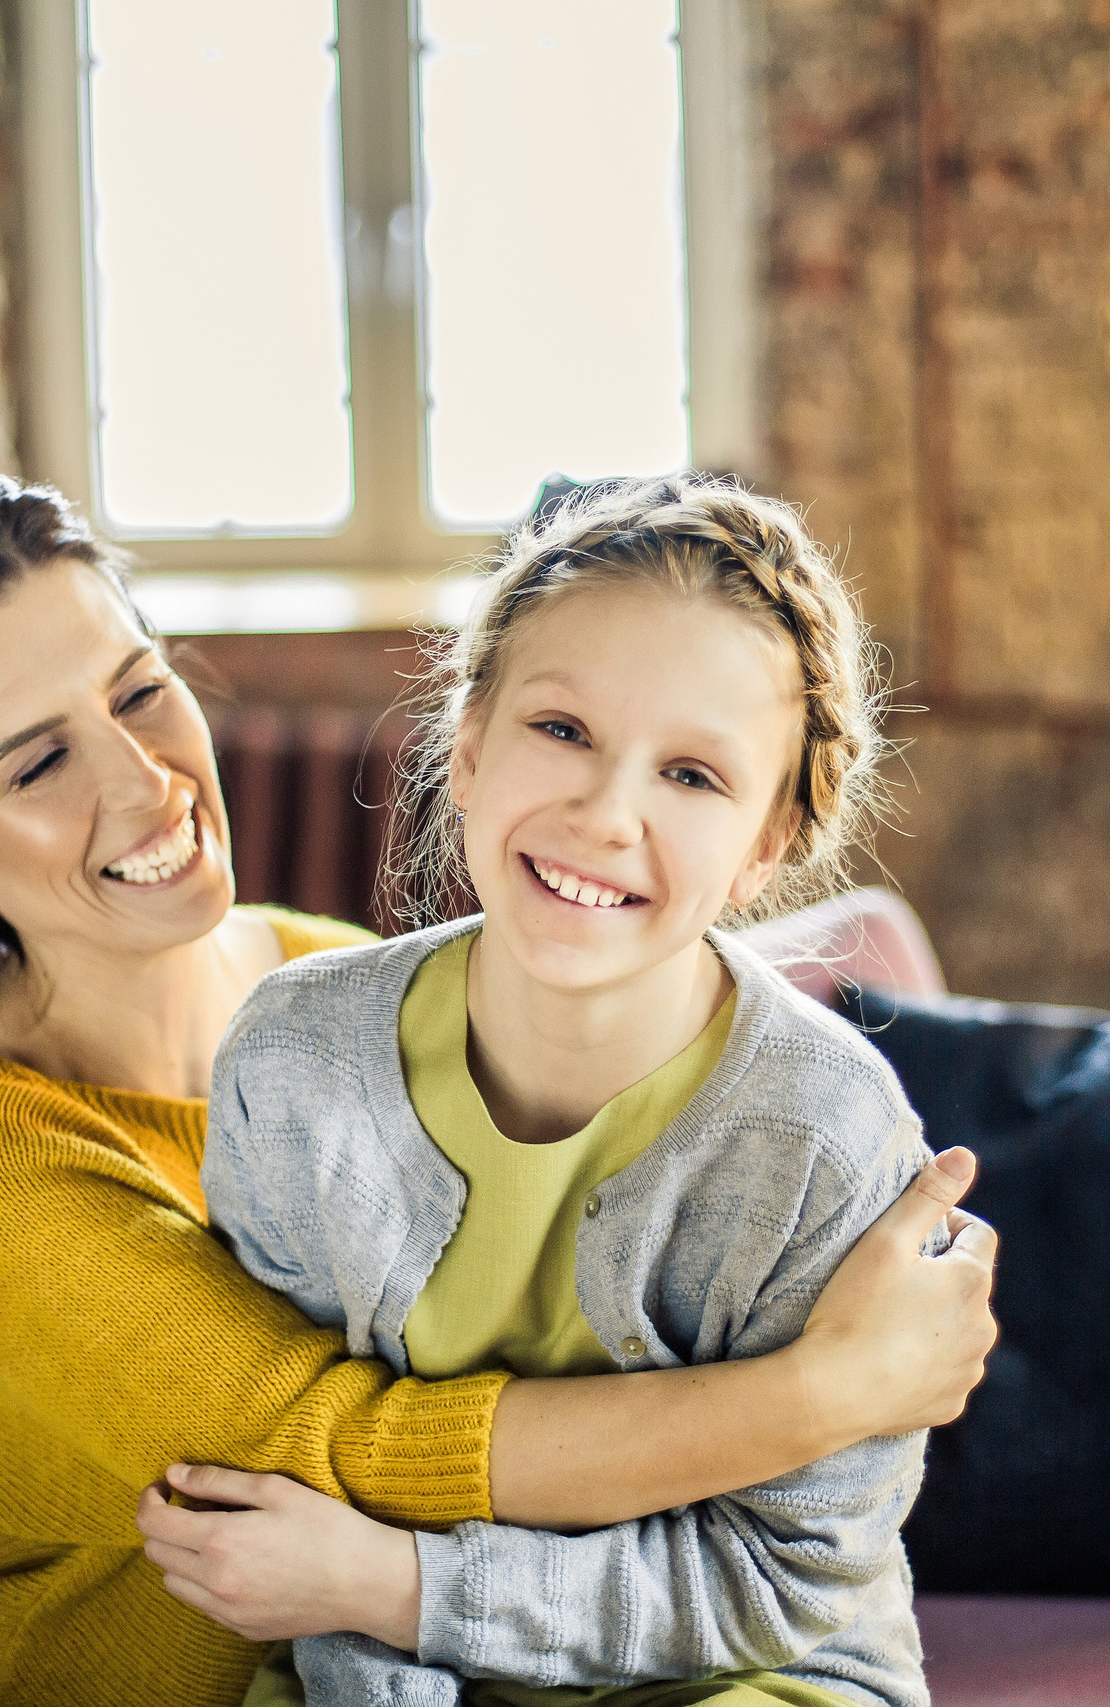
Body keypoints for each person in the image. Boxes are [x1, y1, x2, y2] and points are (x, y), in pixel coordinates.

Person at [0, 471, 999, 1707]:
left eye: (141, 691)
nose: (146, 781)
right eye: (38, 764)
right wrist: (821, 1393)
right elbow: (346, 1455)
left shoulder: (341, 993)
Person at [197, 475, 931, 1706]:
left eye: (691, 776)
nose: (603, 813)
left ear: (765, 847)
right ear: (468, 748)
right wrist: (375, 1613)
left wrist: (402, 1587)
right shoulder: (296, 1063)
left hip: (749, 1678)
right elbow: (299, 1471)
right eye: (563, 731)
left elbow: (782, 1580)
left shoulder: (827, 1139)